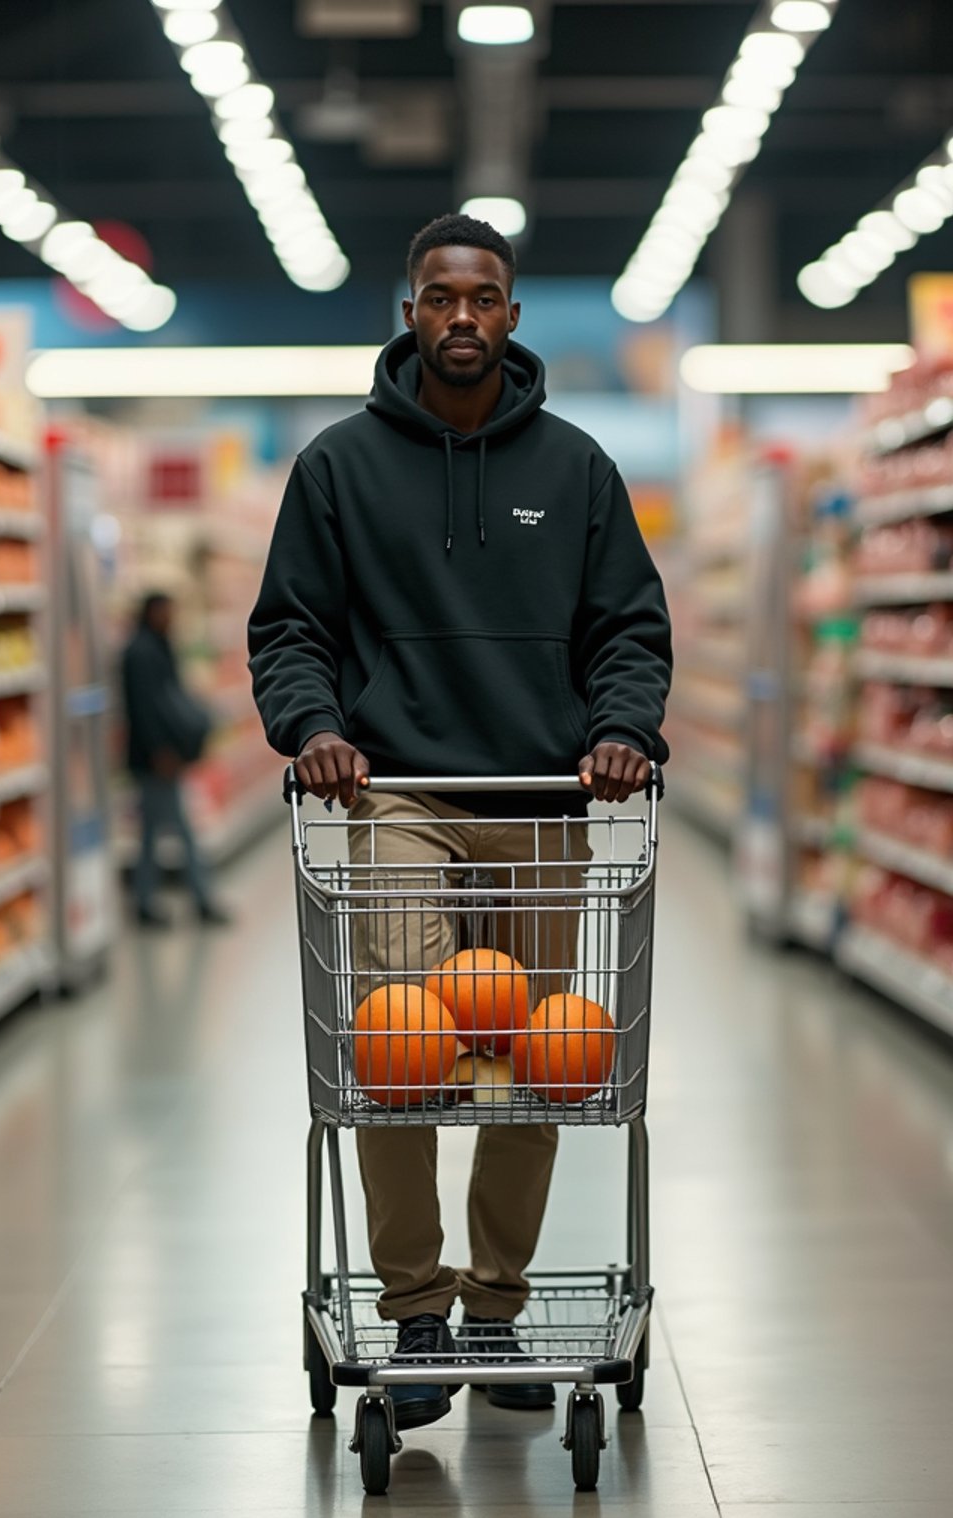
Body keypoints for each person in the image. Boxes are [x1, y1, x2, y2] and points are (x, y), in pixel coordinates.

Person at [248, 214, 671, 1429]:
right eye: (440, 298)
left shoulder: (578, 468)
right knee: (399, 1054)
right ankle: (417, 1300)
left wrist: (623, 730)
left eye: (482, 299)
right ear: (410, 311)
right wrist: (312, 725)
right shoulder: (338, 465)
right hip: (398, 801)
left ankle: (496, 1301)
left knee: (541, 1071)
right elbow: (290, 629)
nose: (462, 319)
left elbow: (629, 631)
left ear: (513, 315)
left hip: (544, 799)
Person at [121, 592, 230, 928]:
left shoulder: (156, 646)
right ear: (151, 612)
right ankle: (200, 900)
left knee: (154, 833)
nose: (171, 618)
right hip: (156, 758)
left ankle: (146, 901)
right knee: (180, 830)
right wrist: (160, 751)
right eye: (166, 612)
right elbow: (143, 710)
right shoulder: (141, 653)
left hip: (160, 756)